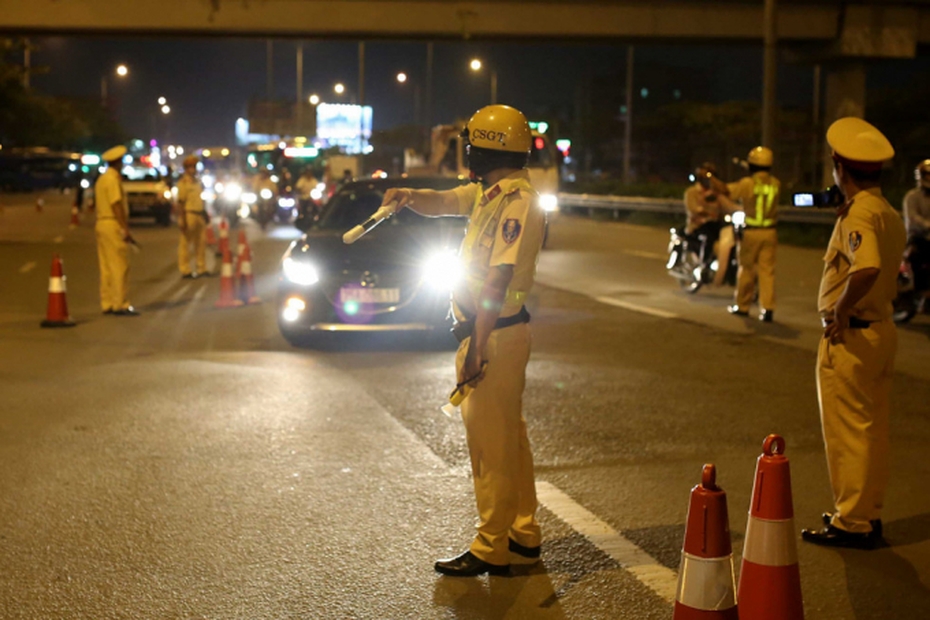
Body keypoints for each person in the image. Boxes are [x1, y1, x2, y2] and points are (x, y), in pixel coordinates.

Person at [380, 104, 545, 577]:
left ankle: (492, 544)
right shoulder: (490, 193)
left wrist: (476, 345)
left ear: (486, 147)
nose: (467, 152)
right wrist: (409, 195)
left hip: (493, 333)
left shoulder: (517, 203)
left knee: (490, 449)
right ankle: (523, 532)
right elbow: (446, 201)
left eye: (471, 144)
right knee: (510, 440)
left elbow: (498, 280)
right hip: (496, 332)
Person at [800, 117, 906, 550]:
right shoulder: (884, 210)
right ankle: (866, 513)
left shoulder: (860, 212)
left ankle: (852, 522)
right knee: (871, 430)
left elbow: (867, 268)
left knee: (848, 433)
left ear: (839, 166)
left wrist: (841, 312)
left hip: (854, 336)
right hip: (880, 331)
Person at [725, 146, 780, 321]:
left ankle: (742, 305)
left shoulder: (748, 183)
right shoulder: (775, 184)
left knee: (747, 269)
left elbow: (728, 191)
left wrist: (711, 180)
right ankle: (768, 308)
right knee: (767, 271)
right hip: (770, 232)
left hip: (752, 233)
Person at [94, 145, 138, 316]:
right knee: (120, 265)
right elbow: (116, 204)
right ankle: (120, 303)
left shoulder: (102, 179)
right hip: (113, 223)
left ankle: (107, 302)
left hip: (101, 223)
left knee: (106, 266)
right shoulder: (113, 180)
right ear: (118, 162)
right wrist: (124, 228)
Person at [683, 163, 736, 287]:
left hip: (714, 224)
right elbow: (692, 208)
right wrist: (703, 212)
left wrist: (744, 210)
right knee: (708, 238)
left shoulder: (716, 194)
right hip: (697, 226)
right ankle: (704, 265)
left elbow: (728, 206)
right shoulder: (692, 192)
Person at [901, 160, 930, 309]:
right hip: (917, 237)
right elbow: (913, 217)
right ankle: (920, 290)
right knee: (917, 255)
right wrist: (927, 224)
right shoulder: (912, 197)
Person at [175, 155, 209, 279]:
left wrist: (205, 214)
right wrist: (182, 219)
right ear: (186, 168)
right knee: (185, 244)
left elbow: (202, 200)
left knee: (201, 243)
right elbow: (180, 202)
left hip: (199, 214)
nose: (193, 169)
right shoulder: (183, 183)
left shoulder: (197, 182)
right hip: (188, 214)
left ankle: (201, 268)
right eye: (190, 166)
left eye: (194, 166)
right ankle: (185, 270)